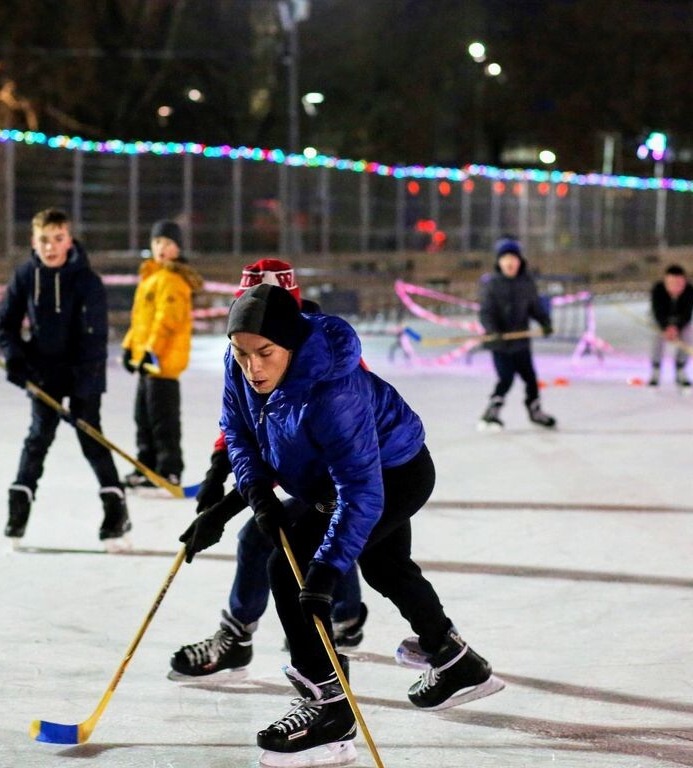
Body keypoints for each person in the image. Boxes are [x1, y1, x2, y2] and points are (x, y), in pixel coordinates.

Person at [179, 284, 503, 767]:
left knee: (291, 567)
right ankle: (457, 662)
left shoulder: (333, 391)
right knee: (386, 566)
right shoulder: (241, 364)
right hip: (331, 479)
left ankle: (328, 712)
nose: (252, 367)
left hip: (393, 473)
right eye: (241, 353)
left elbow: (361, 490)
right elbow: (240, 433)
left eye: (265, 353)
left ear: (290, 344)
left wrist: (328, 570)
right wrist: (252, 497)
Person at [169, 260, 366, 681]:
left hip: (342, 478)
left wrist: (230, 506)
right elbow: (242, 422)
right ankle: (245, 636)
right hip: (304, 476)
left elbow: (290, 449)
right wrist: (217, 472)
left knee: (316, 531)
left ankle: (344, 619)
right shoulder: (248, 348)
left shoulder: (323, 358)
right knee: (267, 537)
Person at [0, 208, 130, 547]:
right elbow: (5, 323)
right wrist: (16, 358)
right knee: (38, 437)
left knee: (90, 436)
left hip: (85, 370)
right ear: (33, 241)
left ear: (69, 240)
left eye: (57, 239)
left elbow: (96, 337)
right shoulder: (25, 275)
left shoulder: (87, 281)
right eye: (44, 240)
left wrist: (85, 384)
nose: (50, 247)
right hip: (43, 373)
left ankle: (116, 510)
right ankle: (19, 508)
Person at [120, 220, 203, 489]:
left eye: (168, 243)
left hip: (163, 364)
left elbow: (166, 322)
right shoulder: (151, 278)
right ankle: (146, 466)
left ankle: (169, 469)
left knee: (163, 421)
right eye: (157, 242)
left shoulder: (173, 280)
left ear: (178, 249)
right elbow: (140, 321)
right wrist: (129, 347)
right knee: (143, 418)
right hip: (147, 362)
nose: (161, 248)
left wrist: (150, 352)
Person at [477, 237, 556, 431]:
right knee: (506, 378)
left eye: (513, 258)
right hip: (500, 343)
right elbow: (486, 312)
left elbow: (535, 308)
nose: (510, 263)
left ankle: (535, 411)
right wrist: (493, 331)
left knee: (530, 378)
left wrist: (545, 322)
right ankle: (492, 412)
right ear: (499, 262)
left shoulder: (526, 283)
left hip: (521, 341)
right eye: (505, 259)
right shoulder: (492, 284)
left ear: (520, 261)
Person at [649, 264, 693, 389]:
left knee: (687, 335)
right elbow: (657, 312)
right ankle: (656, 369)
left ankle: (681, 368)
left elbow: (688, 314)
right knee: (657, 338)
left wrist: (676, 328)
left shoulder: (691, 291)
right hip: (662, 320)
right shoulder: (658, 290)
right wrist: (666, 327)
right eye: (671, 283)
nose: (675, 286)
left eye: (679, 283)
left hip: (680, 321)